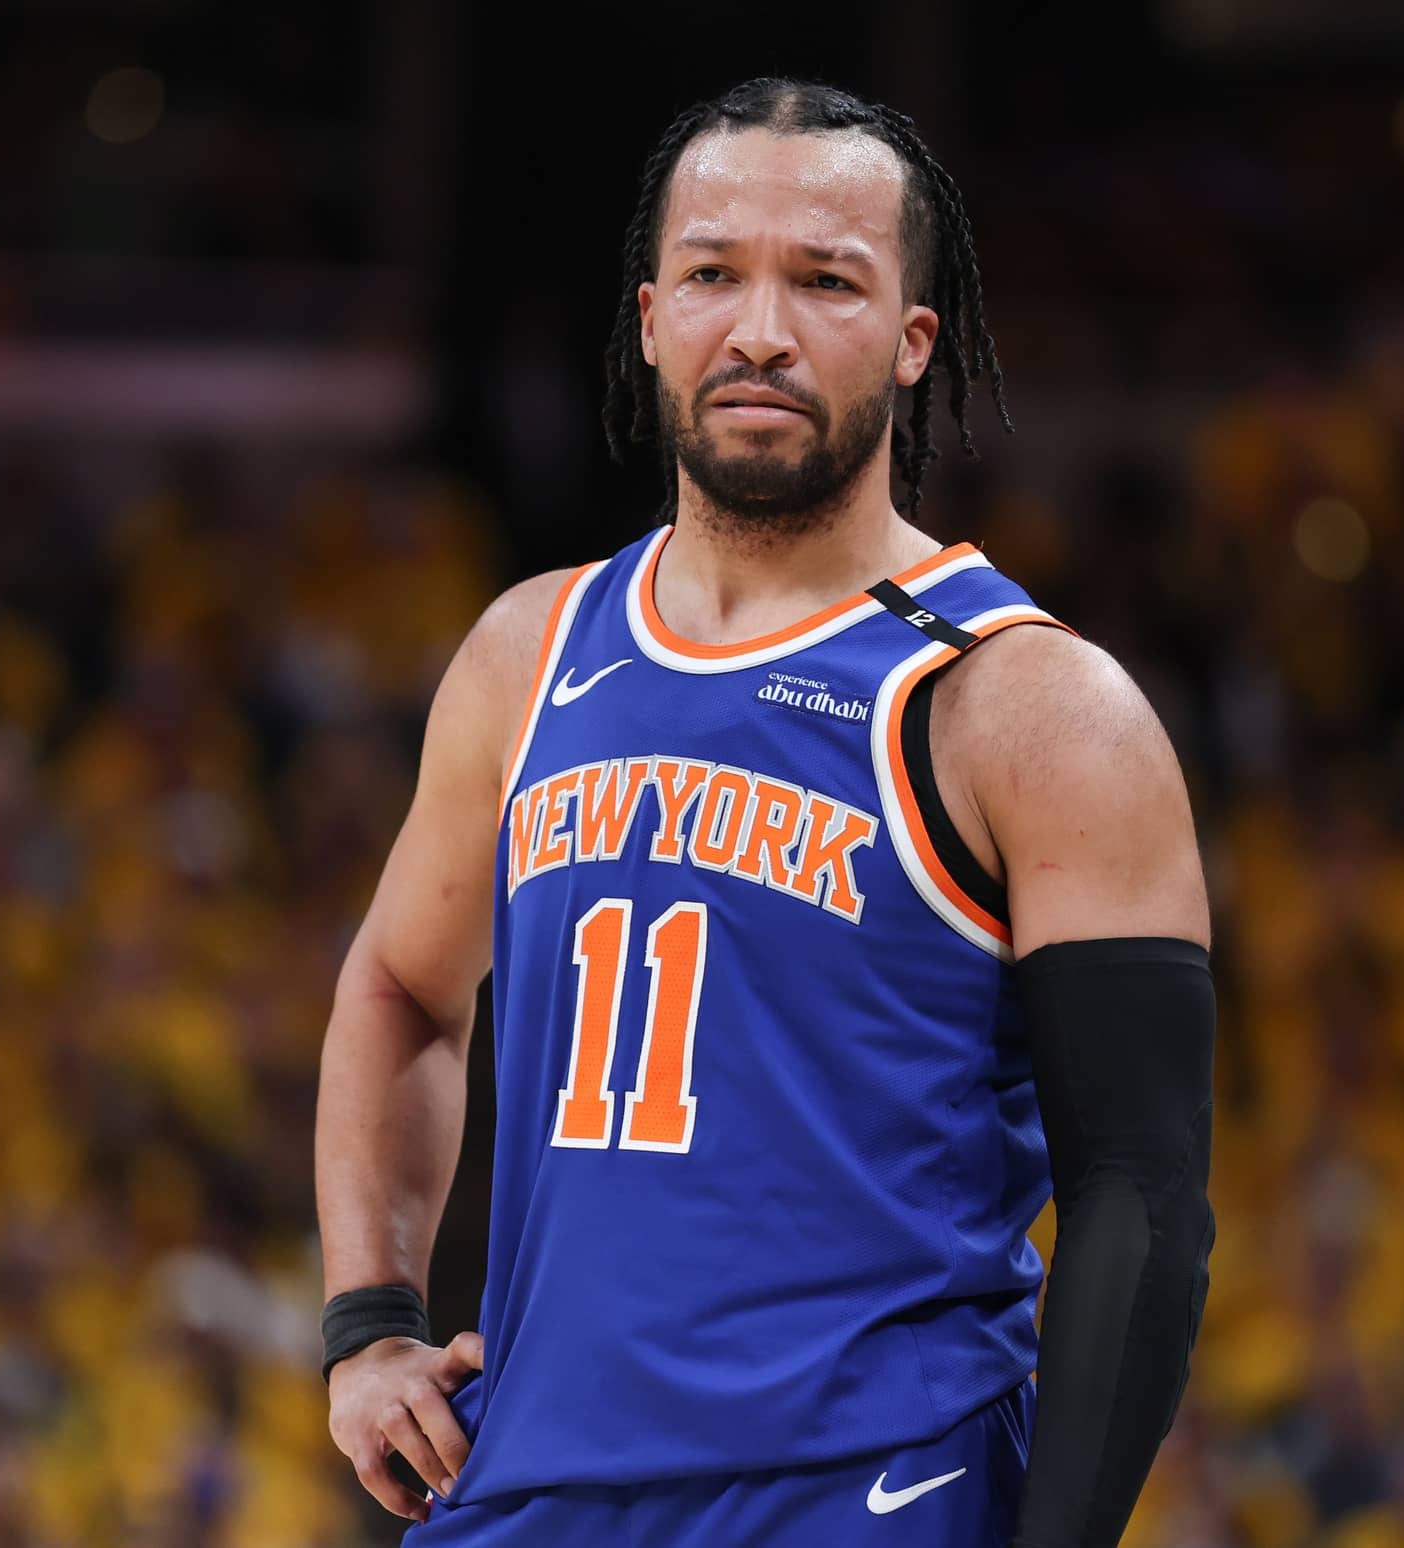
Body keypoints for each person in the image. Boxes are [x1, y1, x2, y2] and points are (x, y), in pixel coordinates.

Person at [316, 76, 1218, 1548]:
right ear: (650, 318)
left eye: (826, 282)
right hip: (528, 1483)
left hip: (869, 1493)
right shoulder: (527, 653)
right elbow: (402, 986)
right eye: (714, 275)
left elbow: (1141, 1197)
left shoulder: (1028, 702)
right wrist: (367, 1324)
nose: (760, 330)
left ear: (915, 339)